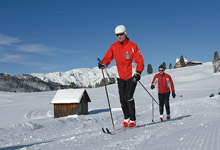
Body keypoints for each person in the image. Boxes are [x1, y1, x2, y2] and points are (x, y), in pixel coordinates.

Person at [98, 25, 144, 127]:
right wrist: (103, 64)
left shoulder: (133, 46)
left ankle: (132, 119)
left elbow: (140, 61)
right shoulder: (114, 46)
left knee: (128, 97)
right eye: (117, 35)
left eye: (121, 34)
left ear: (125, 33)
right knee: (122, 99)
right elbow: (107, 58)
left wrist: (138, 72)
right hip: (120, 76)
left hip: (132, 75)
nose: (119, 36)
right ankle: (126, 117)